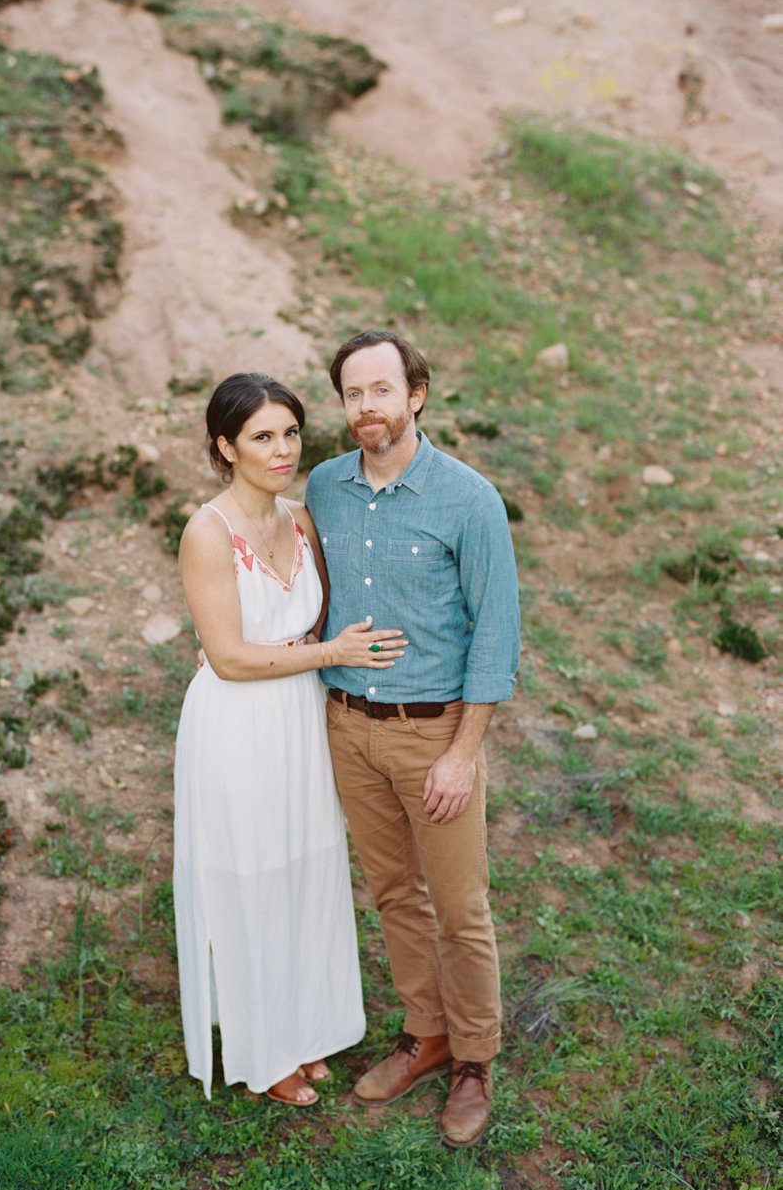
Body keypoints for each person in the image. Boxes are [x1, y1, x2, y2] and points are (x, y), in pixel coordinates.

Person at [305, 331, 520, 1147]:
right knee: (395, 894)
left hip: (434, 734)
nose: (367, 408)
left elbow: (496, 636)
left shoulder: (469, 500)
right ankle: (424, 1032)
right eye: (353, 394)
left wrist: (463, 753)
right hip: (349, 727)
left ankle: (473, 1059)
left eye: (381, 391)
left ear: (416, 393)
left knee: (461, 909)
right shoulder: (325, 485)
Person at [173, 371, 408, 1107]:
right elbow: (235, 656)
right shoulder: (207, 533)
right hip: (238, 723)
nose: (282, 450)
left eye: (291, 433)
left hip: (300, 719)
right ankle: (261, 1047)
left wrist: (323, 649)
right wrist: (330, 653)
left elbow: (309, 616)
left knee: (304, 869)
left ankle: (303, 1029)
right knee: (251, 878)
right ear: (224, 445)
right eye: (262, 436)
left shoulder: (301, 519)